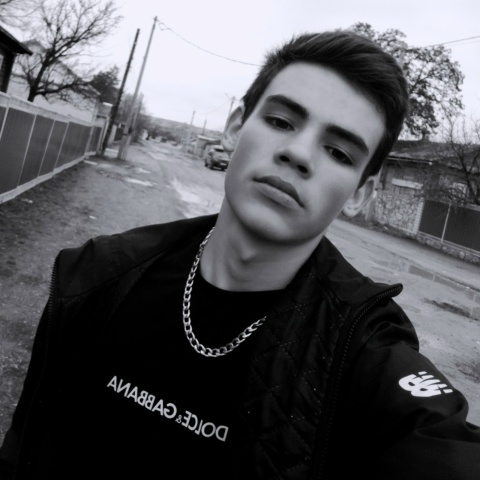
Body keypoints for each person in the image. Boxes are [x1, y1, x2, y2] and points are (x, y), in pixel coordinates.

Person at [1, 30, 479, 480]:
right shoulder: (95, 275)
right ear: (235, 127)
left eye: (339, 152)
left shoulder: (362, 351)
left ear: (359, 193)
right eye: (281, 122)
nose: (298, 153)